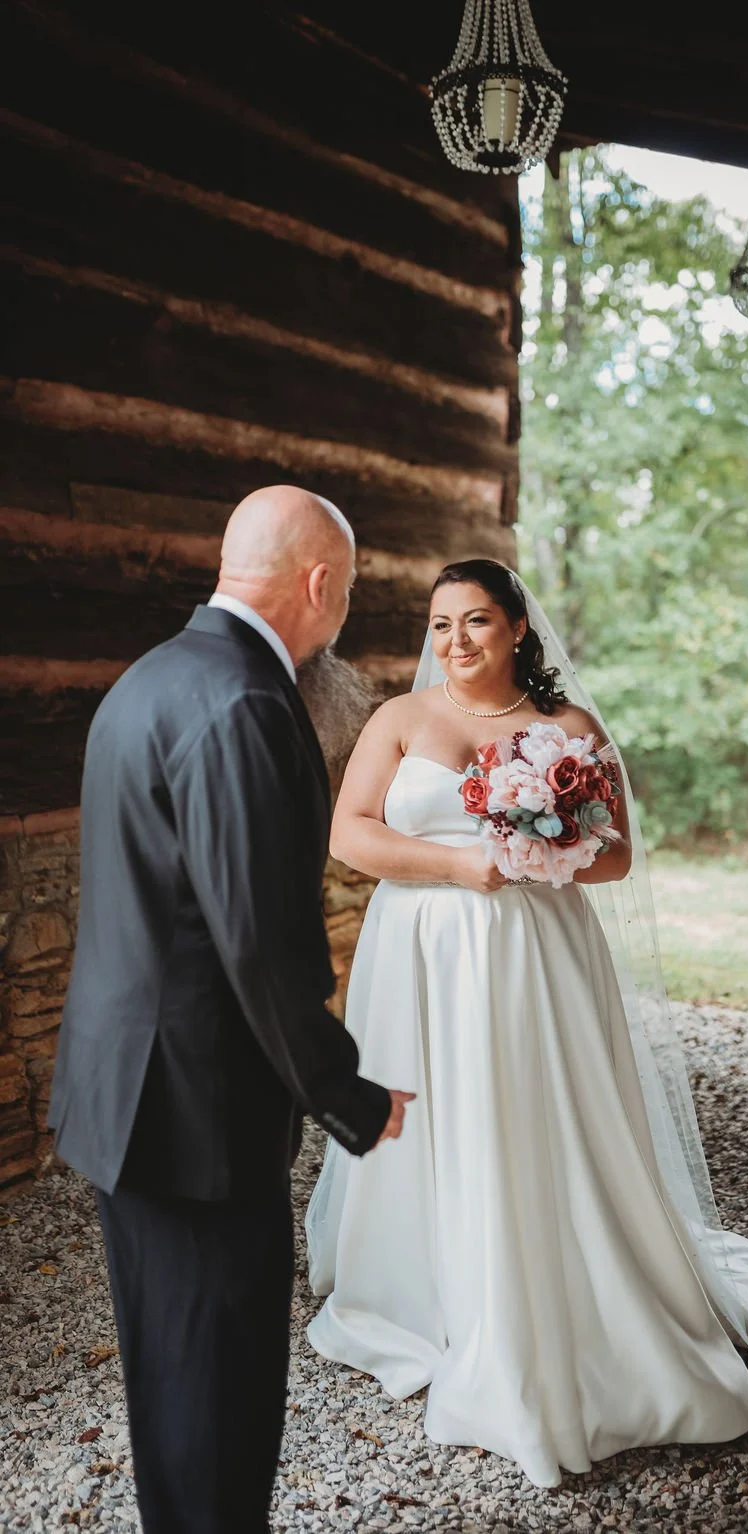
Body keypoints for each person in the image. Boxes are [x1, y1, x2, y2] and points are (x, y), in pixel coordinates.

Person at [305, 558, 748, 1489]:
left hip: (534, 952)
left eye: (476, 622)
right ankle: (429, 1279)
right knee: (433, 1104)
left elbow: (615, 862)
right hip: (419, 949)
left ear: (519, 627)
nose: (456, 643)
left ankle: (549, 1275)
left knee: (528, 1105)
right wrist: (460, 868)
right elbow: (349, 833)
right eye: (441, 627)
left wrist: (535, 847)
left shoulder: (568, 731)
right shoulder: (400, 721)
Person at [48, 485, 414, 1534]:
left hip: (127, 1097)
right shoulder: (248, 701)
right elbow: (261, 941)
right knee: (217, 1389)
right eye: (343, 596)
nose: (338, 619)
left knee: (173, 1376)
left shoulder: (154, 675)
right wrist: (345, 1092)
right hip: (197, 1114)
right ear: (317, 584)